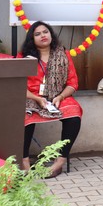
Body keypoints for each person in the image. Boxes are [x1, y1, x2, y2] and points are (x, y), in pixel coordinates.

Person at [18, 21, 83, 178]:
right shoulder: (24, 57)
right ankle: (25, 164)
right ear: (31, 39)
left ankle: (59, 163)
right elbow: (18, 84)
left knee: (74, 115)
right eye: (37, 34)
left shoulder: (63, 54)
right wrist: (37, 98)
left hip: (57, 96)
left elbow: (73, 83)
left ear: (51, 34)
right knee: (25, 117)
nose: (42, 36)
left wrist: (61, 96)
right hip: (32, 97)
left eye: (45, 32)